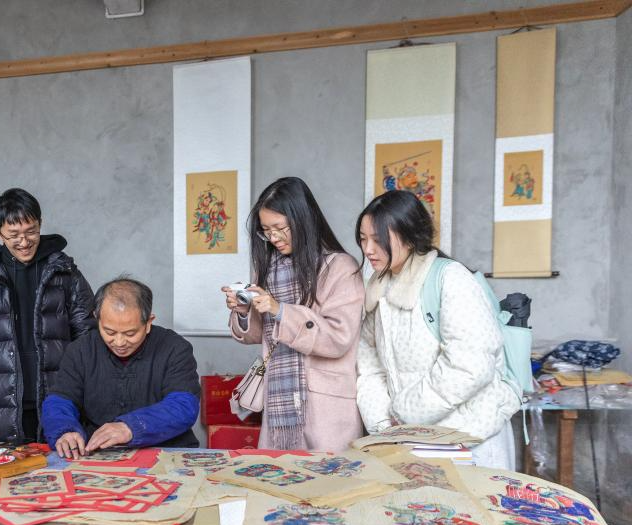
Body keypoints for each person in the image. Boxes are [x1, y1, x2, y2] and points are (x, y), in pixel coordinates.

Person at [355, 190, 521, 469]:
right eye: (363, 239)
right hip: (413, 441)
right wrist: (383, 424)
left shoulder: (451, 279)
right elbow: (369, 365)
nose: (368, 249)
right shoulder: (378, 288)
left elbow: (469, 365)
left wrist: (404, 412)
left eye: (378, 239)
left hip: (470, 439)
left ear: (409, 236)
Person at [223, 177, 364, 452]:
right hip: (278, 404)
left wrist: (280, 310)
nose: (273, 238)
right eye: (266, 230)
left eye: (279, 228)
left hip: (326, 410)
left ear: (303, 220)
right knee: (280, 483)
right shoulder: (267, 269)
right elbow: (260, 335)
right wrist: (243, 311)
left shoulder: (339, 268)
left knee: (331, 487)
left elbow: (338, 338)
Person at [0, 188, 95, 442]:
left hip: (60, 393)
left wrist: (84, 392)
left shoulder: (64, 272)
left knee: (62, 469)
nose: (24, 242)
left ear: (40, 224)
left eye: (31, 231)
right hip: (4, 399)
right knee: (11, 474)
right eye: (14, 235)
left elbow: (86, 334)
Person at [44, 277, 201, 457]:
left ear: (149, 322)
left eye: (130, 333)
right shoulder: (80, 350)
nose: (119, 342)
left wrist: (131, 427)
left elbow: (183, 406)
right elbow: (60, 400)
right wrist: (64, 430)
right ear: (97, 318)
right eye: (109, 332)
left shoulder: (174, 348)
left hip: (166, 452)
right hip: (99, 454)